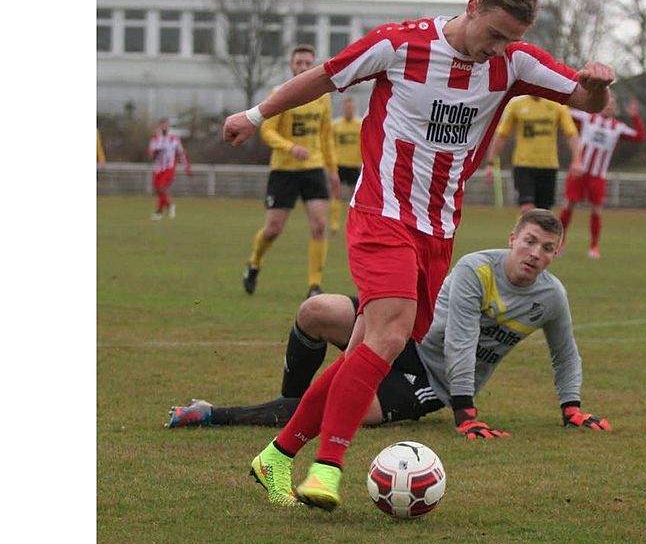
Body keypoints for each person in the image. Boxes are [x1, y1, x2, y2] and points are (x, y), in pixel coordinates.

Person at [222, 0, 615, 512]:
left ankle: (277, 454)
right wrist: (255, 114)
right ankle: (328, 466)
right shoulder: (399, 44)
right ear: (472, 7)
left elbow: (584, 99)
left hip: (439, 228)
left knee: (366, 351)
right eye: (494, 34)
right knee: (390, 333)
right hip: (380, 213)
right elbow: (326, 76)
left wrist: (595, 87)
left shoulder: (512, 61)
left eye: (511, 40)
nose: (498, 48)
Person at [166, 210, 613, 508]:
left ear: (557, 254)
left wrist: (571, 408)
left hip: (428, 381)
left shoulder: (551, 297)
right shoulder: (477, 269)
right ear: (512, 239)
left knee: (354, 408)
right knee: (315, 311)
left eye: (547, 248)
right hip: (409, 331)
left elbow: (564, 354)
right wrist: (468, 414)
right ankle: (290, 407)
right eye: (529, 241)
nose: (535, 254)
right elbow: (459, 338)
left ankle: (212, 415)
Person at [242, 44, 340, 299]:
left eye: (308, 63)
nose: (303, 67)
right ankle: (254, 262)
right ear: (291, 65)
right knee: (273, 229)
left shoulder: (323, 98)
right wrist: (290, 147)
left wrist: (332, 169)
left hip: (314, 168)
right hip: (284, 170)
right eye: (299, 63)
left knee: (319, 225)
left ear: (313, 65)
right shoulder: (280, 94)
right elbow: (267, 130)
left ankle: (314, 285)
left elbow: (326, 134)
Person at [559, 92, 646, 259]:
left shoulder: (618, 127)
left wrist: (635, 117)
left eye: (613, 104)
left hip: (598, 175)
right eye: (607, 103)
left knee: (596, 211)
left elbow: (640, 136)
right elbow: (563, 112)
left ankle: (594, 246)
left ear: (616, 108)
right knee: (568, 205)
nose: (609, 106)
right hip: (579, 171)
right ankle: (560, 242)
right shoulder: (586, 118)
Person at [482, 95, 582, 212]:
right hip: (523, 165)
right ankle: (523, 229)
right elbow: (501, 134)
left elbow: (571, 133)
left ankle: (529, 230)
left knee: (543, 213)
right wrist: (490, 163)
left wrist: (577, 160)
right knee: (527, 208)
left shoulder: (557, 105)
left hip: (549, 165)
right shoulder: (516, 104)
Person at [327, 97, 362, 235]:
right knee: (336, 194)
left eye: (351, 108)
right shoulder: (336, 125)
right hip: (339, 164)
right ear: (344, 109)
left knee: (356, 197)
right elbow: (329, 144)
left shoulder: (360, 124)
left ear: (354, 109)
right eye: (347, 108)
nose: (349, 110)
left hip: (355, 165)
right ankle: (335, 224)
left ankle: (355, 224)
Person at [148, 118, 191, 220]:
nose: (164, 127)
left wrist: (187, 166)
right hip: (158, 168)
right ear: (159, 126)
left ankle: (159, 212)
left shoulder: (174, 139)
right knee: (157, 189)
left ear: (168, 127)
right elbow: (151, 153)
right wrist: (155, 152)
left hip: (169, 168)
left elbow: (181, 153)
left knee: (162, 187)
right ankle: (169, 206)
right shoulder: (155, 139)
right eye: (162, 125)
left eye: (166, 125)